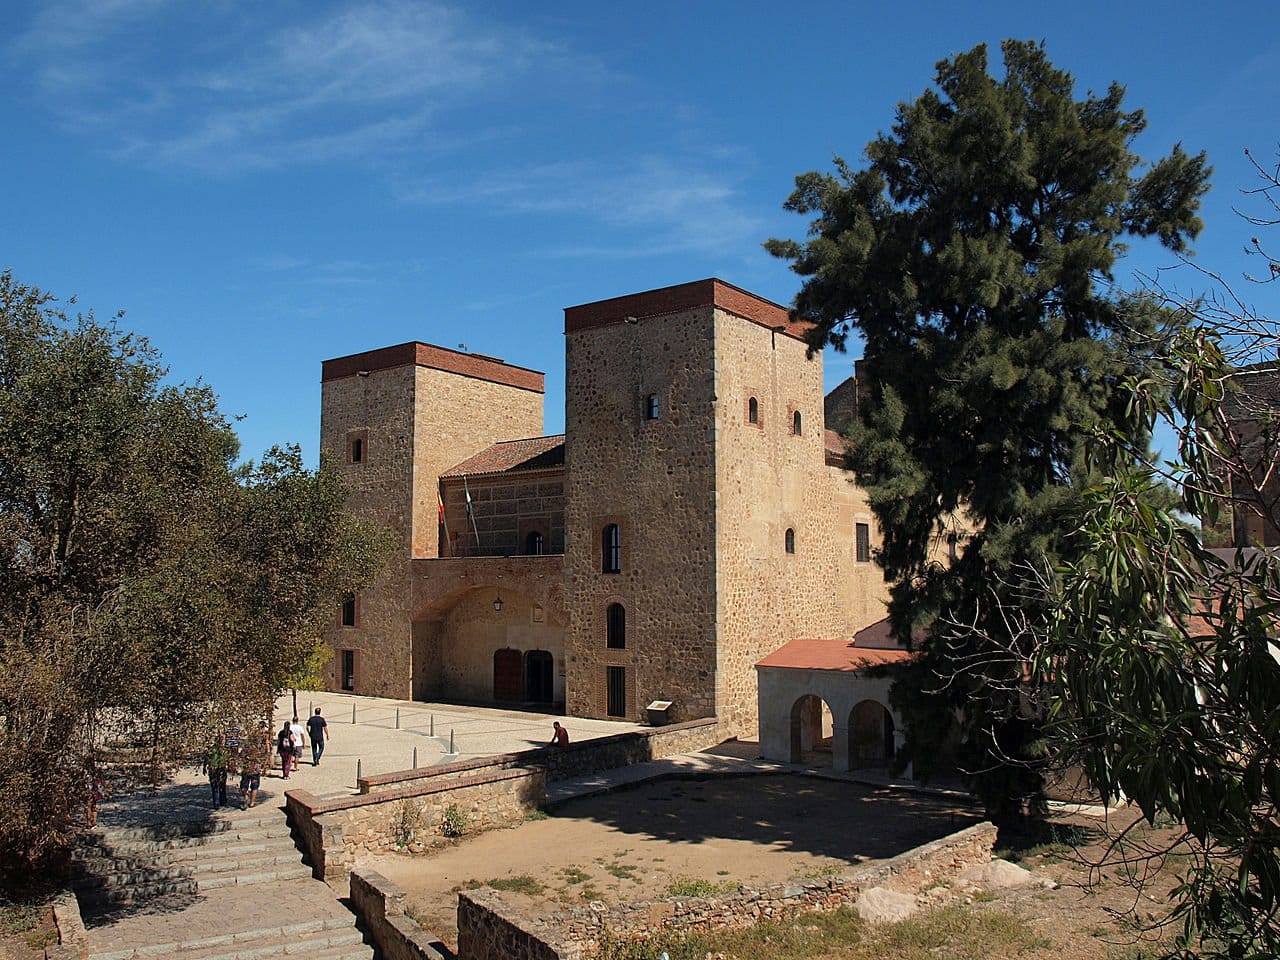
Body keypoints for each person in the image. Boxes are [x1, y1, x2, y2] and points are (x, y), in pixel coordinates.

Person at [202, 738, 229, 808]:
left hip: (213, 769)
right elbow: (227, 759)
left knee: (215, 786)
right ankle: (222, 801)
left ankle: (216, 803)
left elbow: (206, 759)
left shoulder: (211, 749)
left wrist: (204, 768)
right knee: (222, 785)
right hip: (221, 769)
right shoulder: (224, 750)